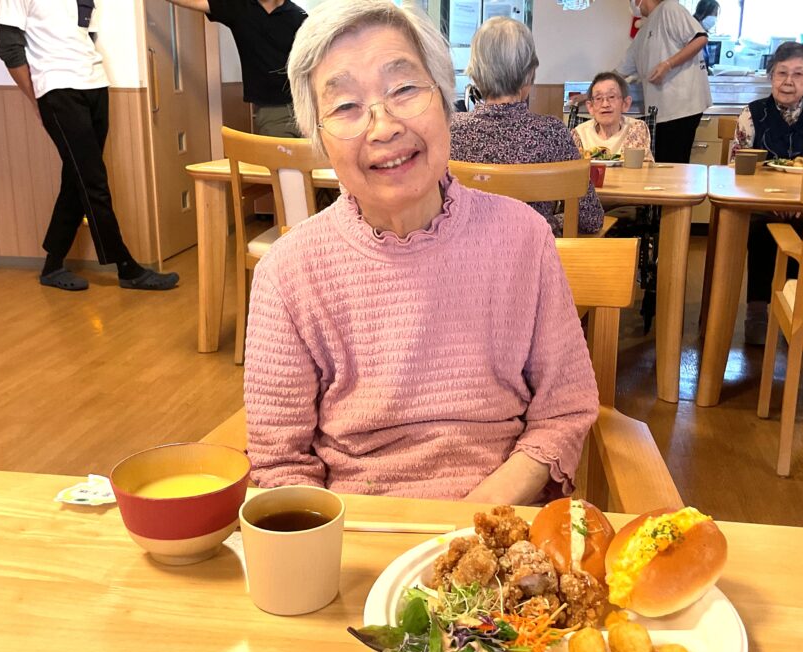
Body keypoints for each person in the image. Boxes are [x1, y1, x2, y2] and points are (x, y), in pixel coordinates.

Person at [243, 0, 599, 503]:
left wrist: (468, 521)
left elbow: (564, 409)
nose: (383, 126)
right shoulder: (287, 271)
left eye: (405, 89)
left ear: (447, 100)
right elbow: (280, 462)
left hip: (504, 519)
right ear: (318, 137)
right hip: (353, 527)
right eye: (345, 106)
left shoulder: (525, 238)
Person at [0, 0, 178, 291]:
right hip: (58, 89)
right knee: (93, 181)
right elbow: (8, 48)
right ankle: (125, 266)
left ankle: (52, 265)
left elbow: (86, 34)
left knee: (77, 178)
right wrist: (37, 99)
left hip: (96, 85)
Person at [449, 17, 604, 236]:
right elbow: (591, 218)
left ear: (474, 74)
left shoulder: (450, 131)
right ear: (529, 75)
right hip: (532, 253)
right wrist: (551, 221)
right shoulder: (552, 132)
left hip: (467, 254)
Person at [732, 42, 803, 345]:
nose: (788, 81)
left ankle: (800, 309)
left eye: (798, 74)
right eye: (781, 73)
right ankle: (757, 312)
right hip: (760, 202)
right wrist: (769, 199)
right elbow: (736, 167)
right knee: (763, 230)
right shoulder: (752, 114)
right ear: (771, 76)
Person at [163, 0, 307, 138]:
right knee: (280, 154)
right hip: (273, 110)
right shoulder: (238, 8)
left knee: (314, 154)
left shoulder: (299, 17)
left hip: (307, 104)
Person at [617, 0, 711, 164]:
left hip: (681, 107)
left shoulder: (669, 8)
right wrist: (590, 93)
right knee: (661, 164)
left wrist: (668, 64)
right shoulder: (643, 32)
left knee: (673, 165)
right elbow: (620, 72)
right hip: (661, 111)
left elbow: (700, 38)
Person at [572, 71, 653, 162]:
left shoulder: (636, 128)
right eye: (598, 98)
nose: (605, 104)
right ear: (590, 107)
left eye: (611, 97)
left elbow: (634, 166)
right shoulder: (579, 134)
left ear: (625, 104)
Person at [692, 0, 720, 73]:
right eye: (713, 14)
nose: (714, 18)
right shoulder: (692, 34)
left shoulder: (702, 34)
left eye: (716, 15)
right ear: (701, 13)